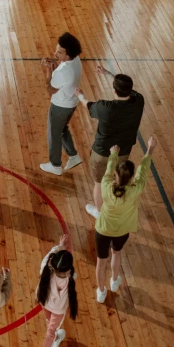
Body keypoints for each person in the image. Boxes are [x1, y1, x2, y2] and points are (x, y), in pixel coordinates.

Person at [74, 67, 145, 219]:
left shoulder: (104, 108)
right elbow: (130, 91)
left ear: (114, 91)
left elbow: (88, 105)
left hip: (102, 153)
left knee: (99, 183)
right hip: (123, 152)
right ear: (130, 90)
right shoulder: (139, 101)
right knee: (117, 181)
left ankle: (99, 212)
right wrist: (109, 74)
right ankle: (116, 206)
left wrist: (80, 96)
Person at [94, 136, 157, 304]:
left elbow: (108, 170)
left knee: (101, 262)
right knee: (117, 253)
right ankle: (114, 281)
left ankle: (100, 292)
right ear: (131, 179)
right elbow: (142, 171)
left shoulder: (107, 185)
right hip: (122, 231)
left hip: (103, 230)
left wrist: (114, 154)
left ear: (116, 174)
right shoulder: (135, 190)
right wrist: (149, 149)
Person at [32, 234, 78, 347]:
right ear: (68, 268)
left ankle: (57, 337)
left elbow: (50, 255)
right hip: (58, 309)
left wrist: (60, 246)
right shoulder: (71, 279)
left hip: (43, 300)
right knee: (50, 332)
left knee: (49, 321)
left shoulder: (45, 267)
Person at [39, 32, 83, 176]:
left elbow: (50, 89)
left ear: (68, 54)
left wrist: (49, 69)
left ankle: (55, 165)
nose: (55, 53)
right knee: (62, 129)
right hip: (71, 103)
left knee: (54, 134)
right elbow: (62, 73)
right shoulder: (76, 60)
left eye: (59, 52)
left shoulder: (64, 71)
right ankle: (73, 155)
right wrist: (54, 66)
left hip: (60, 106)